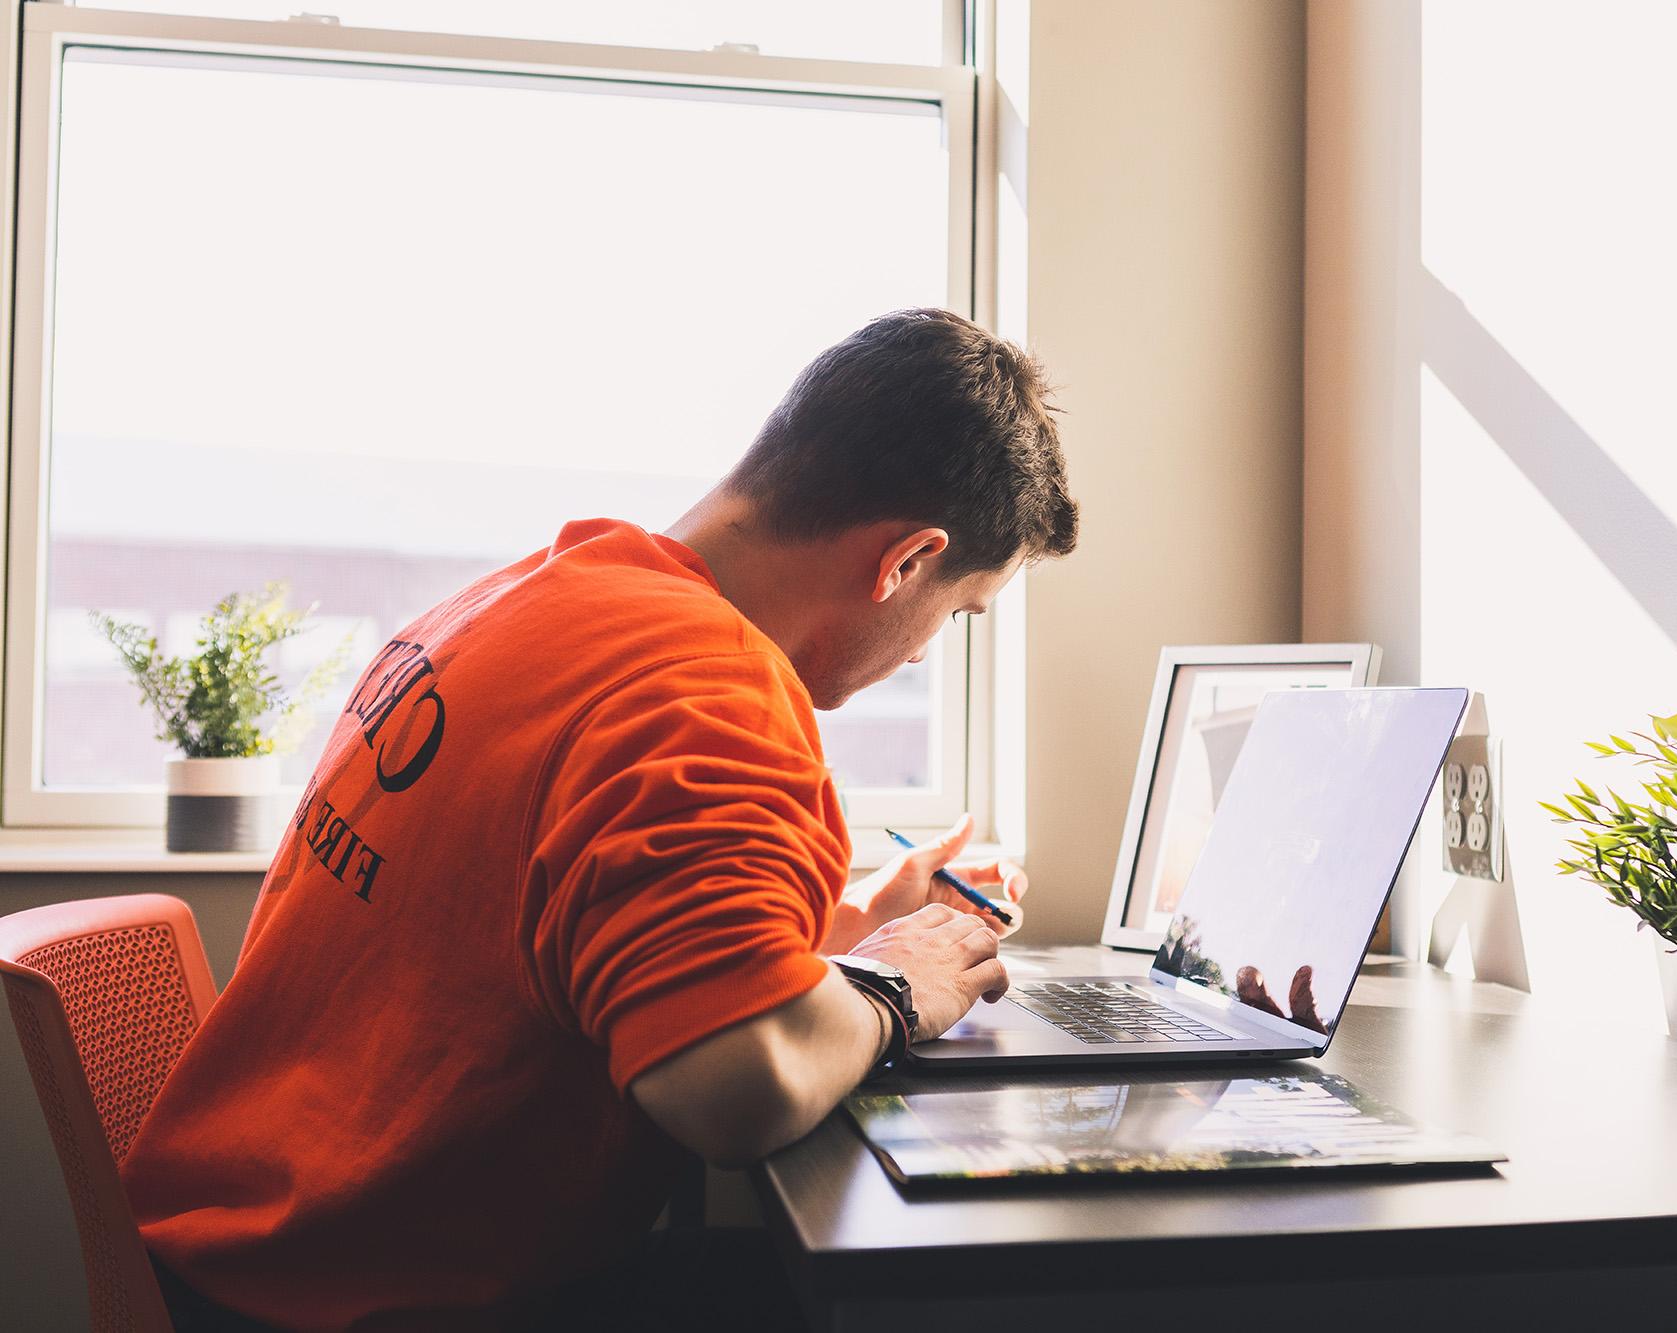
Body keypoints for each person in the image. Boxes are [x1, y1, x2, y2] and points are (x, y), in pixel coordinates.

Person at [119, 308, 1079, 1330]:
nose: (927, 650)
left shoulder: (525, 599)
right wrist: (898, 984)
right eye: (957, 610)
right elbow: (732, 1092)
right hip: (380, 1294)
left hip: (252, 1244)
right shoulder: (713, 695)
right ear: (904, 562)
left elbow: (558, 935)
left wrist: (855, 932)